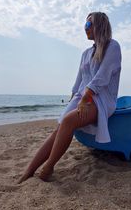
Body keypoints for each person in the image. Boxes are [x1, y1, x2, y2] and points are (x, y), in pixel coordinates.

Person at [18, 12, 122, 183]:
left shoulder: (113, 46)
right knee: (59, 128)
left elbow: (102, 77)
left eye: (88, 25)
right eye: (85, 25)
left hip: (101, 100)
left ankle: (48, 167)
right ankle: (29, 170)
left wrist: (84, 98)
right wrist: (74, 98)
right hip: (83, 97)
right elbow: (79, 81)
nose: (85, 28)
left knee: (68, 122)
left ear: (98, 26)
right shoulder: (86, 53)